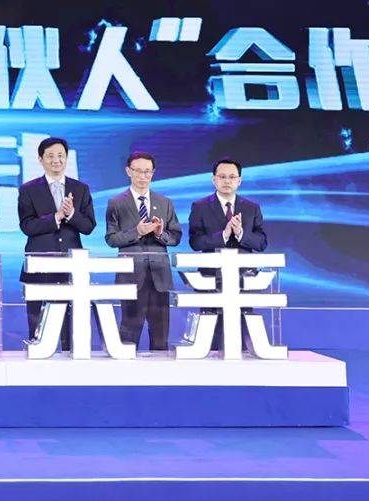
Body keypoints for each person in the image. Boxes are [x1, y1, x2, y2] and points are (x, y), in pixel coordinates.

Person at [17, 136, 96, 350]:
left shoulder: (80, 189)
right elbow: (27, 226)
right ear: (40, 159)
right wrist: (56, 217)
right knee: (38, 323)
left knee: (71, 325)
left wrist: (71, 215)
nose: (56, 160)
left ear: (67, 158)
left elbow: (89, 226)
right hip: (39, 266)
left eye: (61, 155)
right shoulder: (28, 189)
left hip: (72, 267)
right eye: (50, 156)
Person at [104, 152, 182, 351]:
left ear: (153, 173)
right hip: (131, 277)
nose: (143, 176)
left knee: (160, 336)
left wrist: (160, 233)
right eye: (138, 171)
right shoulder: (116, 203)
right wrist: (136, 232)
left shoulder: (165, 202)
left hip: (160, 278)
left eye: (147, 172)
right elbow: (111, 239)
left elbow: (176, 237)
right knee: (129, 335)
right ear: (128, 171)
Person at [188, 157, 268, 350]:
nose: (227, 181)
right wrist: (223, 236)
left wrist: (240, 233)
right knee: (211, 331)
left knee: (241, 328)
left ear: (239, 180)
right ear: (213, 179)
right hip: (211, 278)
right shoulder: (200, 206)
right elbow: (195, 242)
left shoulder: (251, 207)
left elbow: (261, 242)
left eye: (232, 177)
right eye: (222, 176)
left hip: (243, 279)